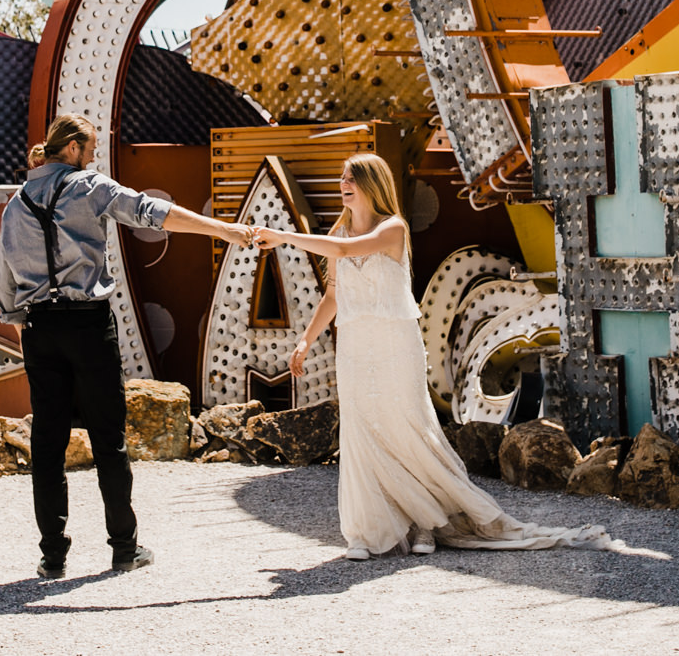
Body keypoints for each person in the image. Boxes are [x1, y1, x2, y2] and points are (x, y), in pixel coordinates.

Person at [251, 153, 614, 559]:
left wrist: (285, 236)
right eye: (342, 176)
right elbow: (334, 295)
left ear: (373, 183)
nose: (343, 182)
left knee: (408, 429)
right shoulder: (339, 228)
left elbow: (346, 249)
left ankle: (430, 523)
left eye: (352, 176)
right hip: (355, 344)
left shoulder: (393, 228)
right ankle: (371, 532)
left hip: (394, 342)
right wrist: (305, 340)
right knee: (363, 432)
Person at [0, 113, 250, 579]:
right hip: (89, 326)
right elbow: (153, 212)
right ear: (71, 147)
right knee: (108, 439)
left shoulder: (16, 204)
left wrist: (28, 332)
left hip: (39, 329)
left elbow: (6, 281)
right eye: (90, 146)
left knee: (47, 443)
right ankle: (124, 548)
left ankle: (53, 555)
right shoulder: (89, 187)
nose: (93, 155)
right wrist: (225, 230)